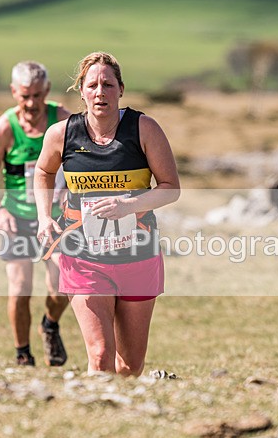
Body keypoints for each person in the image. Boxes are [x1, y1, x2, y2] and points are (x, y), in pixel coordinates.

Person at [34, 52, 180, 377]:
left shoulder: (144, 129)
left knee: (129, 366)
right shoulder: (62, 134)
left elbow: (171, 188)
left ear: (121, 90)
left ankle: (120, 408)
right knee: (100, 356)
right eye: (92, 85)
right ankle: (95, 406)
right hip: (83, 256)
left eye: (108, 85)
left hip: (138, 255)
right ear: (82, 92)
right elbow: (43, 172)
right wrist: (44, 216)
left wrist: (128, 206)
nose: (100, 92)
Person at [0, 61, 71, 367]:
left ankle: (50, 325)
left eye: (38, 95)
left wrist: (72, 191)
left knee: (62, 286)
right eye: (25, 96)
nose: (32, 103)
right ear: (13, 92)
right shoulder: (5, 127)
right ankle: (23, 355)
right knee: (20, 289)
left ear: (47, 90)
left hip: (55, 218)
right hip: (17, 219)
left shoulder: (64, 120)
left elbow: (84, 163)